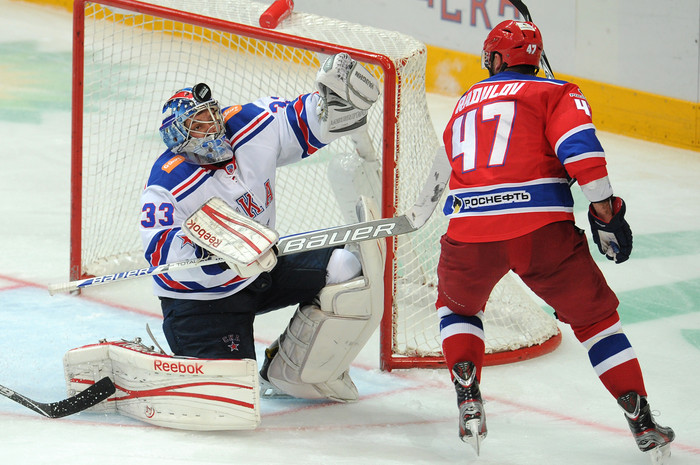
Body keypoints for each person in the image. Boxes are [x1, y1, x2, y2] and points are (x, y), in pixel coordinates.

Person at [436, 20, 675, 461]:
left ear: (496, 59)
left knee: (457, 308)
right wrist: (605, 214)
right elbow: (583, 153)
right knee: (596, 323)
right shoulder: (557, 92)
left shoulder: (464, 101)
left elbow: (446, 167)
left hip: (469, 231)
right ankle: (640, 419)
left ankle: (467, 391)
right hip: (541, 231)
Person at [139, 53, 386, 403]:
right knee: (233, 399)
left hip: (262, 268)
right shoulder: (166, 184)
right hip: (202, 303)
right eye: (199, 124)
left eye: (212, 115)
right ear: (178, 137)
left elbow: (304, 120)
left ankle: (288, 370)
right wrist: (213, 253)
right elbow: (162, 256)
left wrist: (334, 105)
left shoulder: (248, 123)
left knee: (346, 268)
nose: (212, 127)